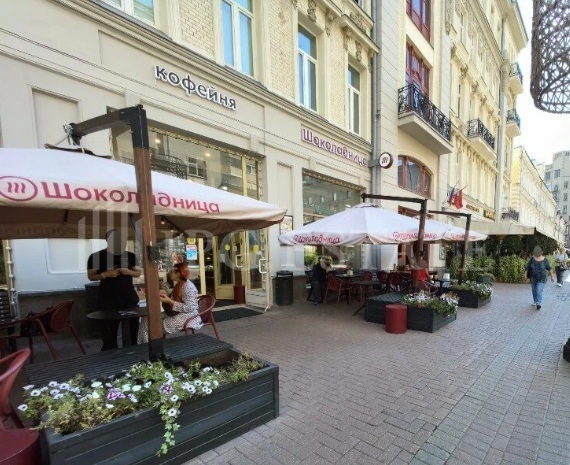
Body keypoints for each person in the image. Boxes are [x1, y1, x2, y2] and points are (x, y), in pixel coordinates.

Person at [87, 229, 141, 350]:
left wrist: (128, 272)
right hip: (108, 300)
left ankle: (133, 353)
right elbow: (91, 276)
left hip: (129, 299)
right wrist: (105, 274)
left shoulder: (130, 255)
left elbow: (138, 273)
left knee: (133, 332)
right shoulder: (96, 256)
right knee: (109, 334)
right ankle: (111, 355)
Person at [137, 262, 202, 343]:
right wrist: (167, 293)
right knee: (145, 319)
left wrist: (169, 301)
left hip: (187, 316)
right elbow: (178, 298)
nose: (169, 273)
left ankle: (147, 345)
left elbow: (190, 308)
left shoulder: (188, 287)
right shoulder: (180, 284)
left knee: (152, 324)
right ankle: (144, 344)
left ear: (179, 274)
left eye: (172, 271)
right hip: (176, 312)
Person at [525, 245, 555, 310]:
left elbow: (549, 268)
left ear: (542, 252)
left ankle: (539, 303)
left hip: (542, 278)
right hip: (533, 278)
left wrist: (552, 276)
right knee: (534, 291)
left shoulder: (545, 260)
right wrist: (526, 276)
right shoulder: (532, 259)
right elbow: (527, 268)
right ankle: (535, 301)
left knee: (539, 290)